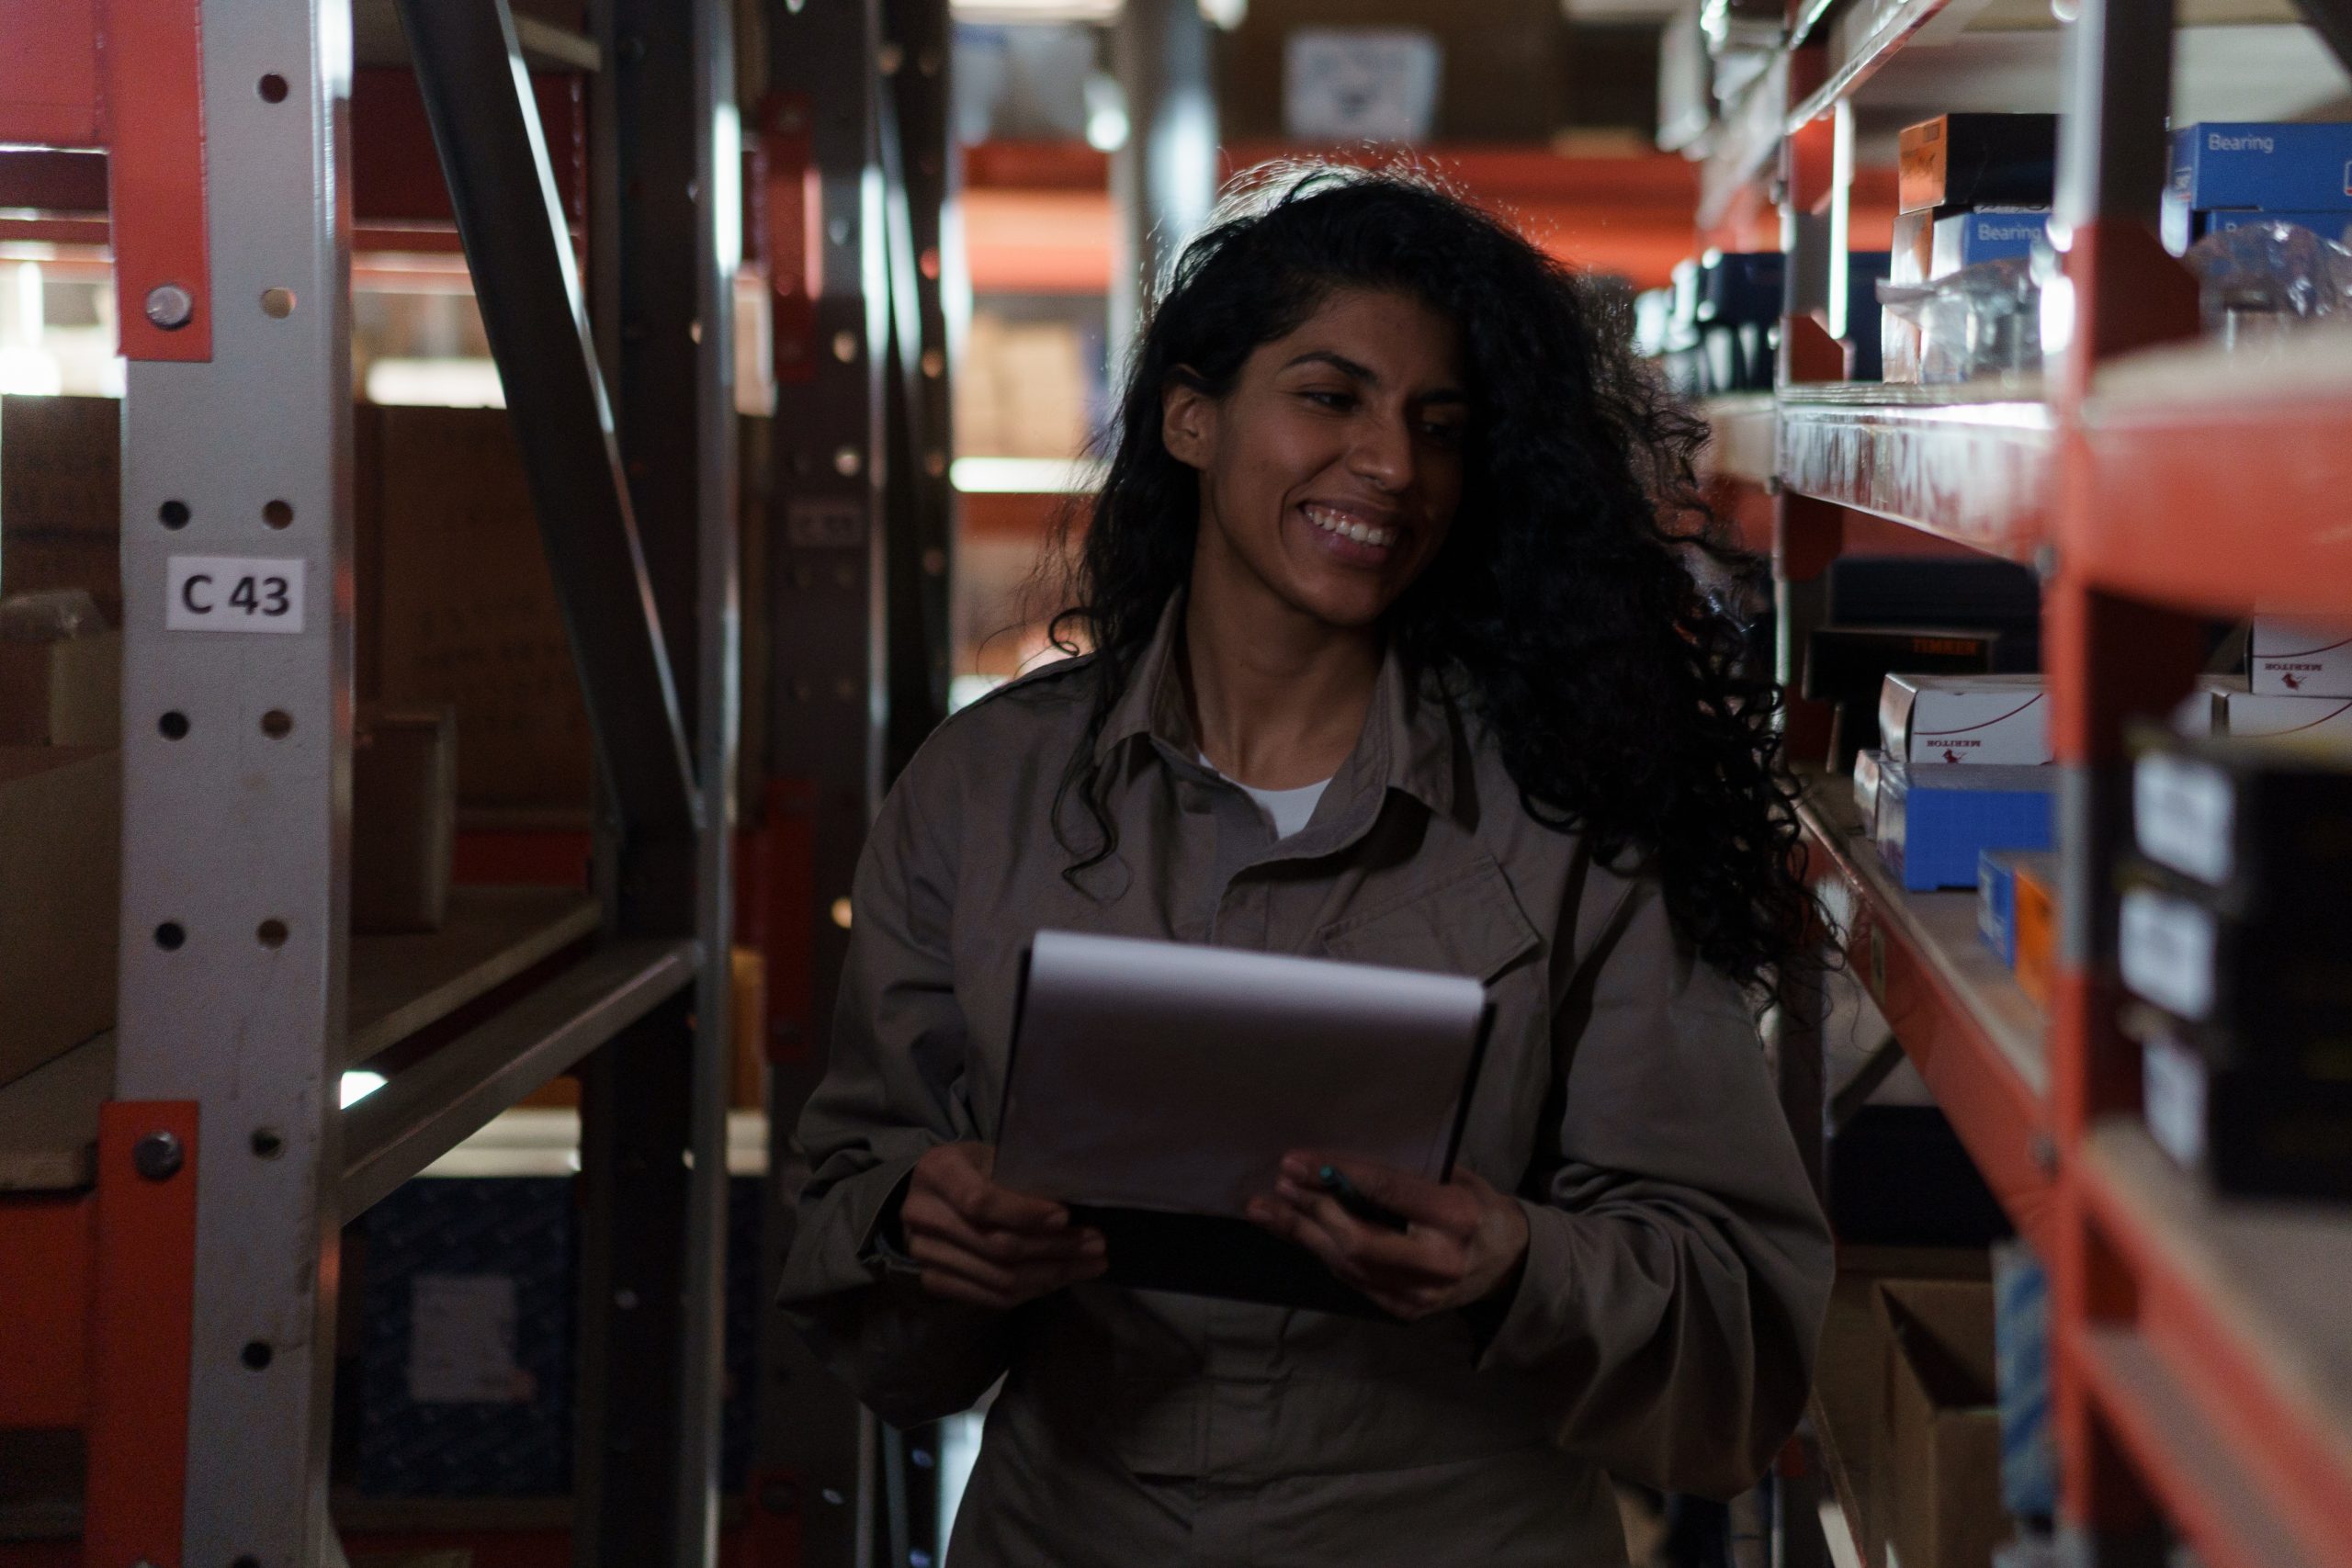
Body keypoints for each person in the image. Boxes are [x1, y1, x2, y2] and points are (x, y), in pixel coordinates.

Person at [776, 164, 1833, 1566]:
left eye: (1437, 426)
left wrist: (1518, 1264)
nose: (1392, 465)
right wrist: (924, 1231)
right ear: (1193, 417)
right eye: (1330, 398)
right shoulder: (984, 792)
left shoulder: (1573, 818)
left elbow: (1737, 1343)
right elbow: (851, 1253)